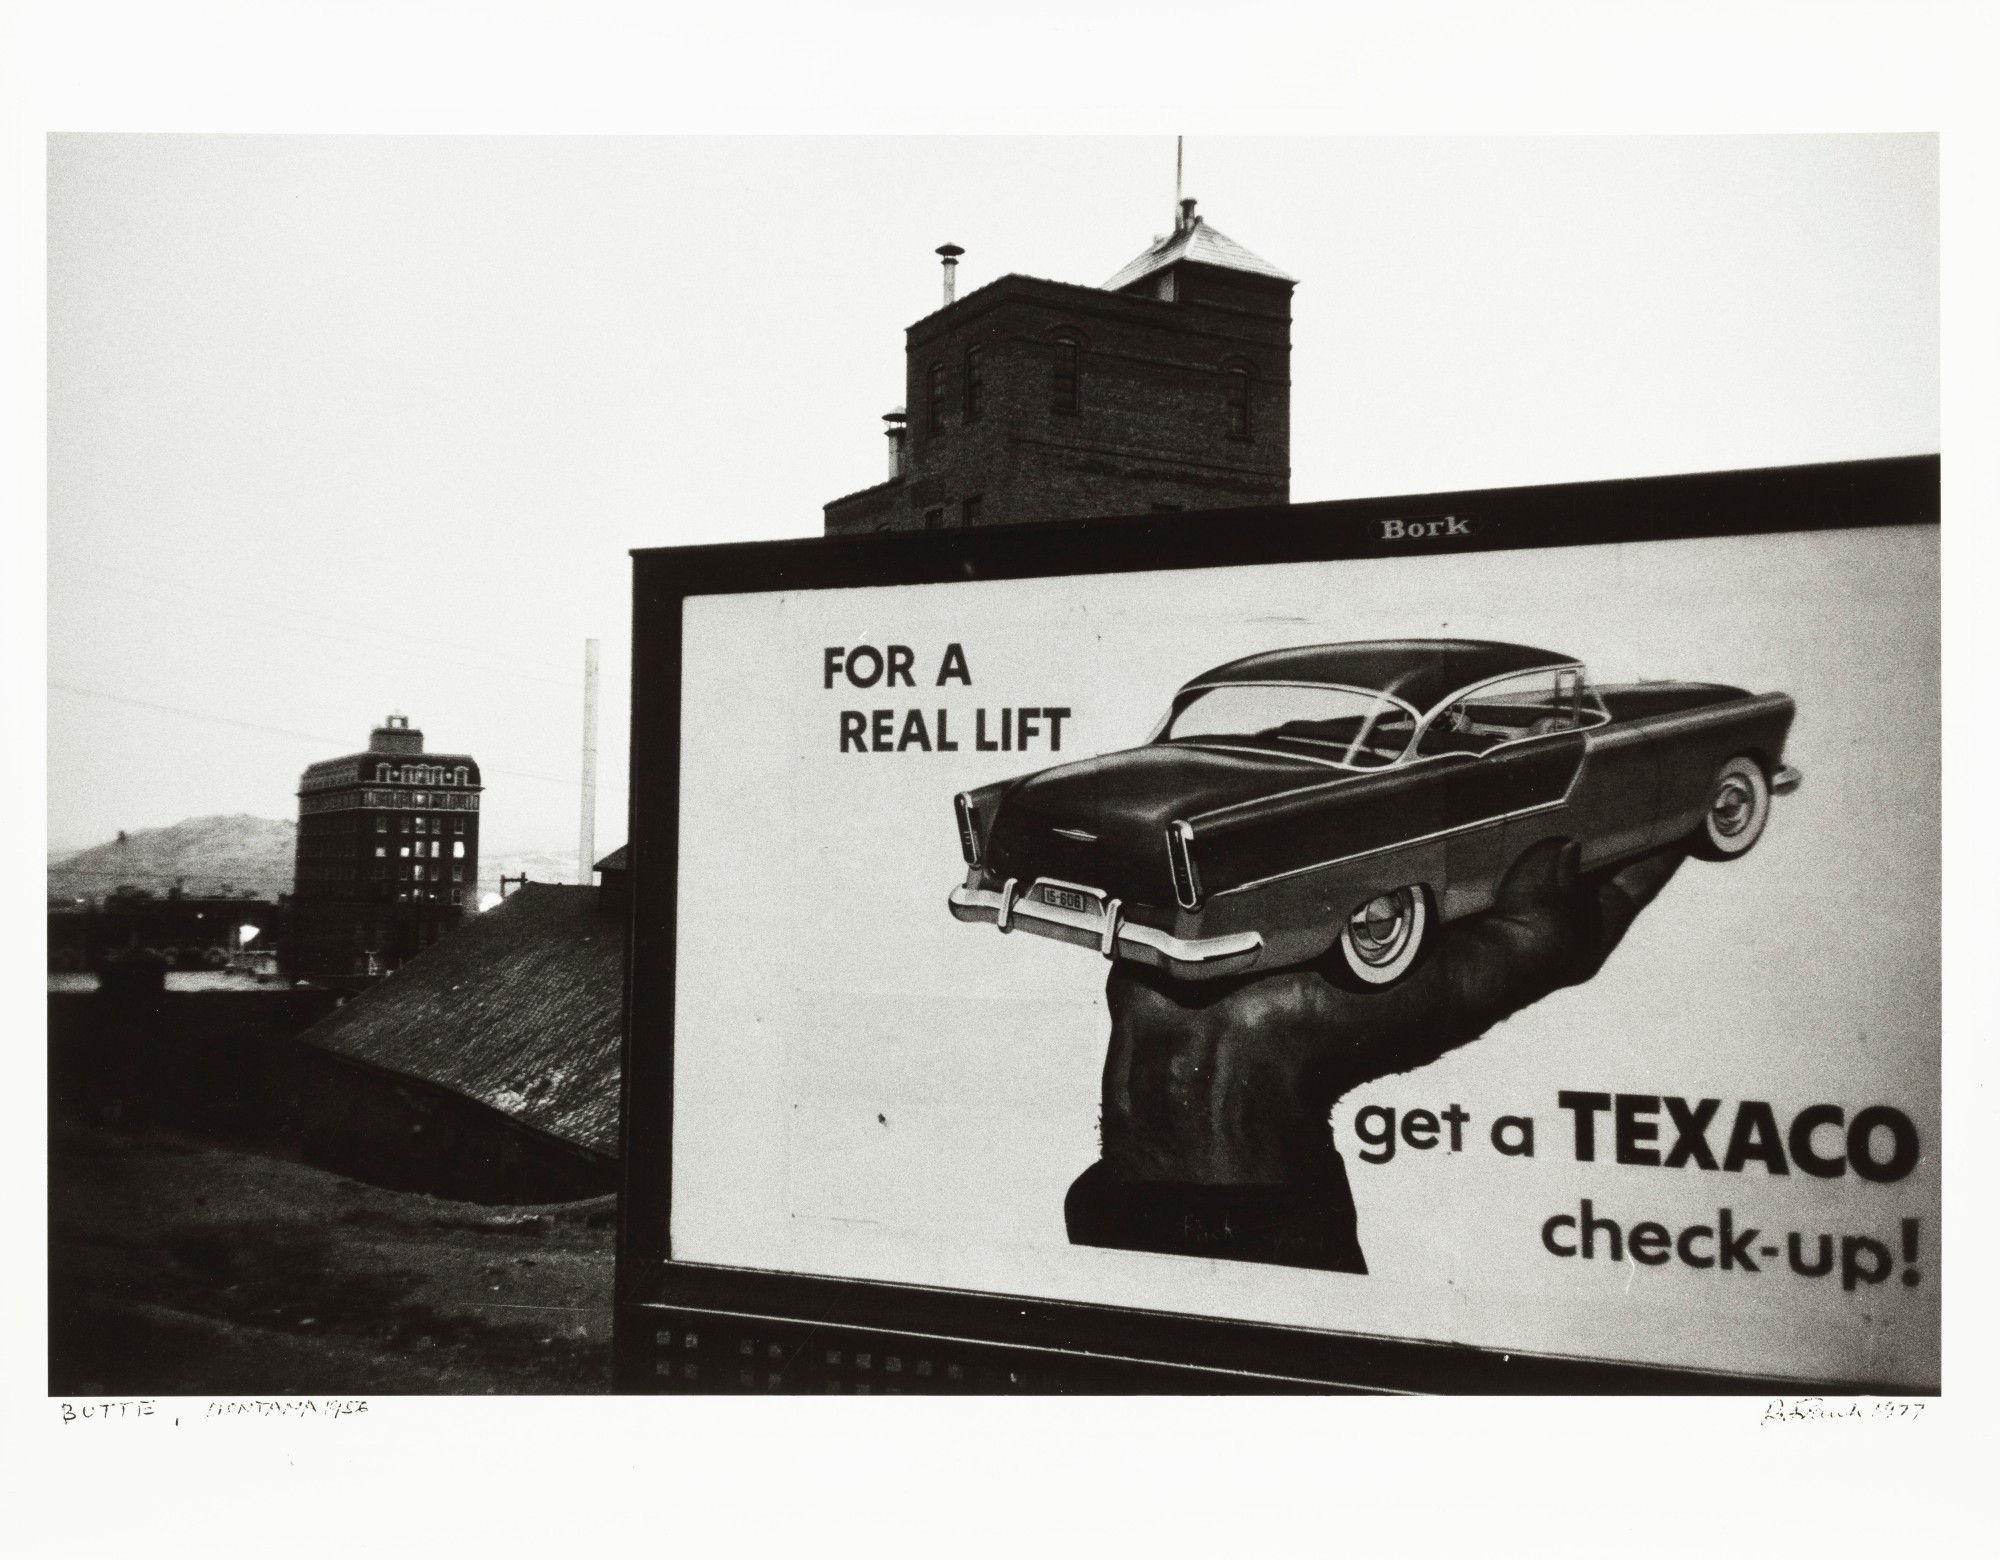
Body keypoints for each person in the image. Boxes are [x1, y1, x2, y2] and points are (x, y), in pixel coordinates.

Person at [1064, 839, 1686, 1272]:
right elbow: (1548, 942)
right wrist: (1683, 818)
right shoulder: (1293, 1006)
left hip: (1146, 1228)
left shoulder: (1173, 957)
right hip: (1259, 1249)